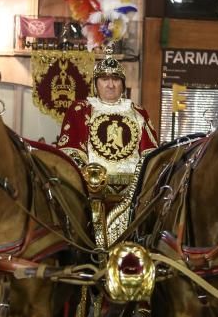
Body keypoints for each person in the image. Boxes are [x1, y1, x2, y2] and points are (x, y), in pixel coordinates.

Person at [56, 53, 158, 247]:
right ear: (96, 84)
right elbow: (69, 150)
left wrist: (141, 180)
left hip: (135, 194)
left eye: (115, 79)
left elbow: (151, 154)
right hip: (91, 192)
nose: (110, 85)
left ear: (122, 84)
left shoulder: (138, 112)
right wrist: (88, 178)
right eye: (105, 79)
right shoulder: (80, 110)